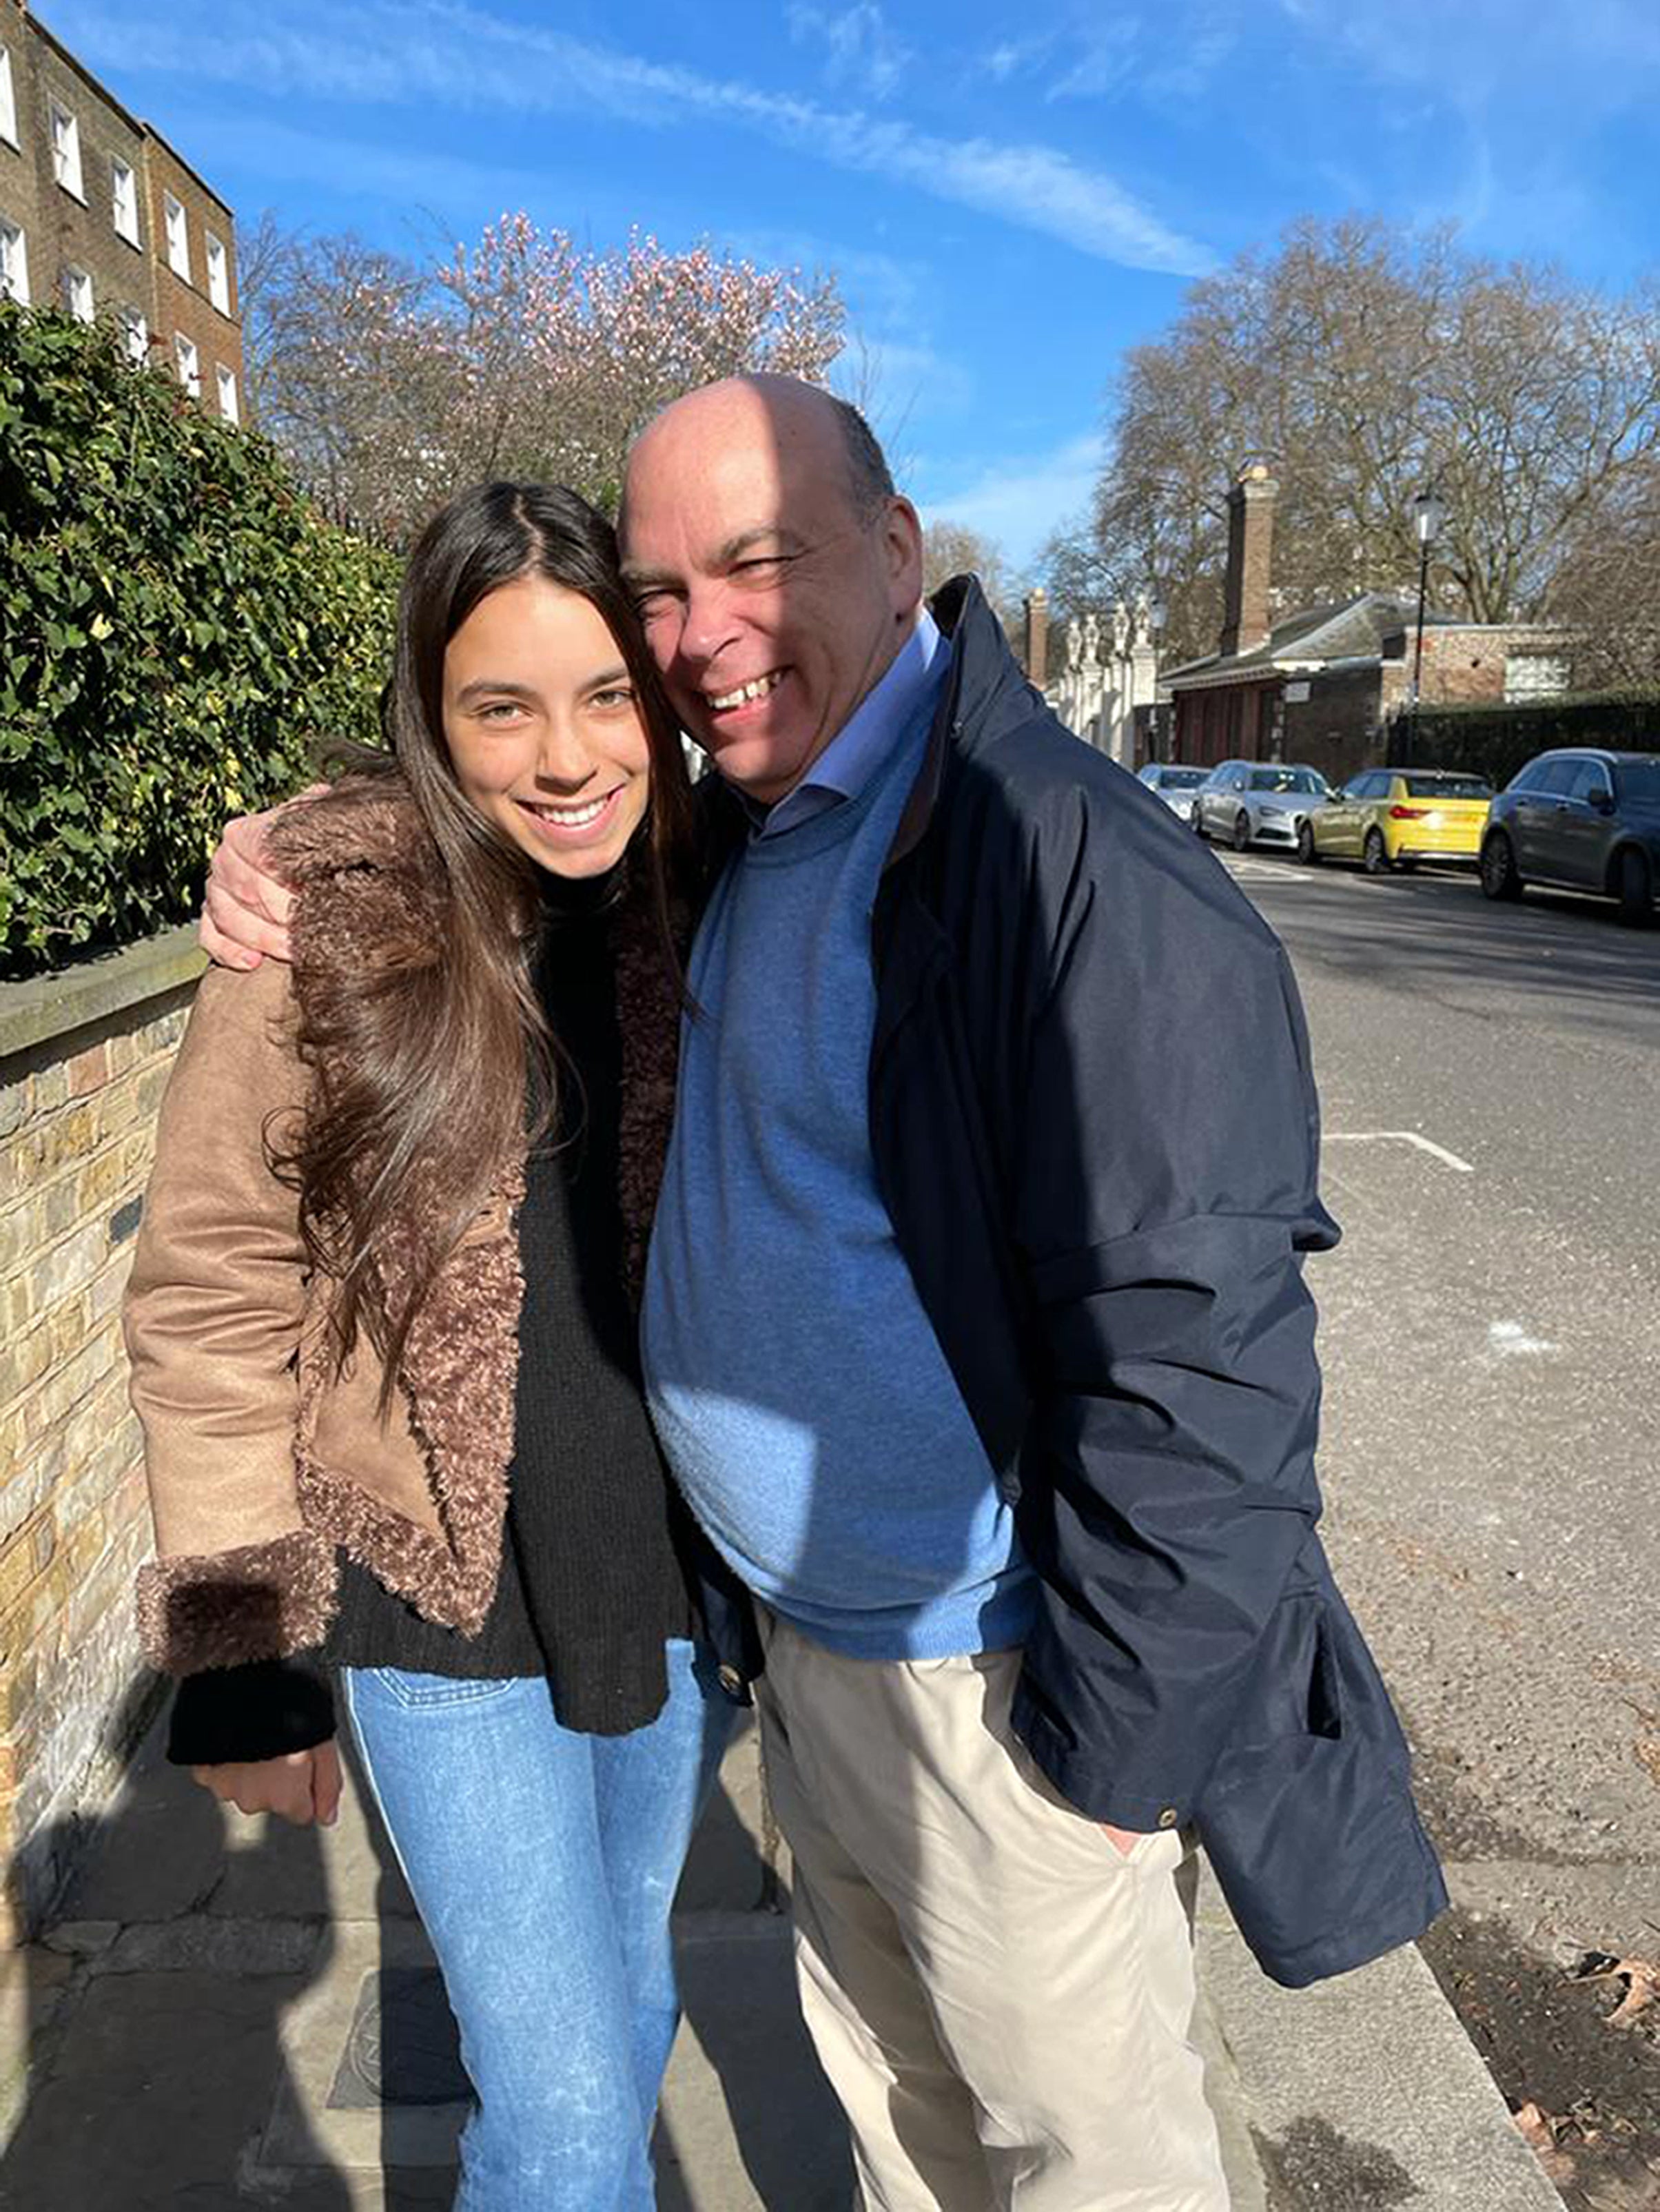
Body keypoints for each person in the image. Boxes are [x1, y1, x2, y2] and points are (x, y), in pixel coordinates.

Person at [205, 379, 1449, 2212]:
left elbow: (1200, 1370)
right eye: (666, 591)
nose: (702, 640)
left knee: (1071, 2165)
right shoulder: (736, 833)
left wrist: (1097, 1769)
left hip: (991, 1690)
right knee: (890, 2128)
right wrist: (289, 840)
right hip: (759, 1656)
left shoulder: (1053, 858)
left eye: (760, 562)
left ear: (897, 550)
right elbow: (225, 1269)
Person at [126, 480, 737, 2212]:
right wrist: (242, 1655)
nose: (564, 756)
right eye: (501, 705)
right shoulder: (327, 930)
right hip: (440, 1610)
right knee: (557, 2131)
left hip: (665, 1596)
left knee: (626, 2019)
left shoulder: (713, 896)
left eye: (606, 694)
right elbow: (210, 1291)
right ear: (432, 713)